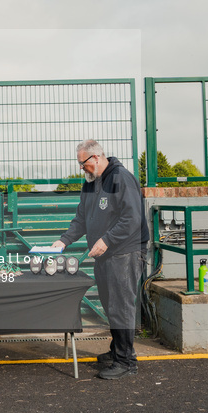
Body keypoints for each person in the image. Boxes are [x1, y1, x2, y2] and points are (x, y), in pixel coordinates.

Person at [53, 139, 144, 380]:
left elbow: (132, 219)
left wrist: (107, 240)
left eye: (83, 164)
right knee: (110, 304)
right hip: (106, 255)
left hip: (123, 252)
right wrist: (64, 241)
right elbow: (81, 219)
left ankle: (126, 362)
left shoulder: (121, 178)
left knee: (121, 307)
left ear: (95, 158)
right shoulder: (90, 185)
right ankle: (118, 351)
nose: (82, 169)